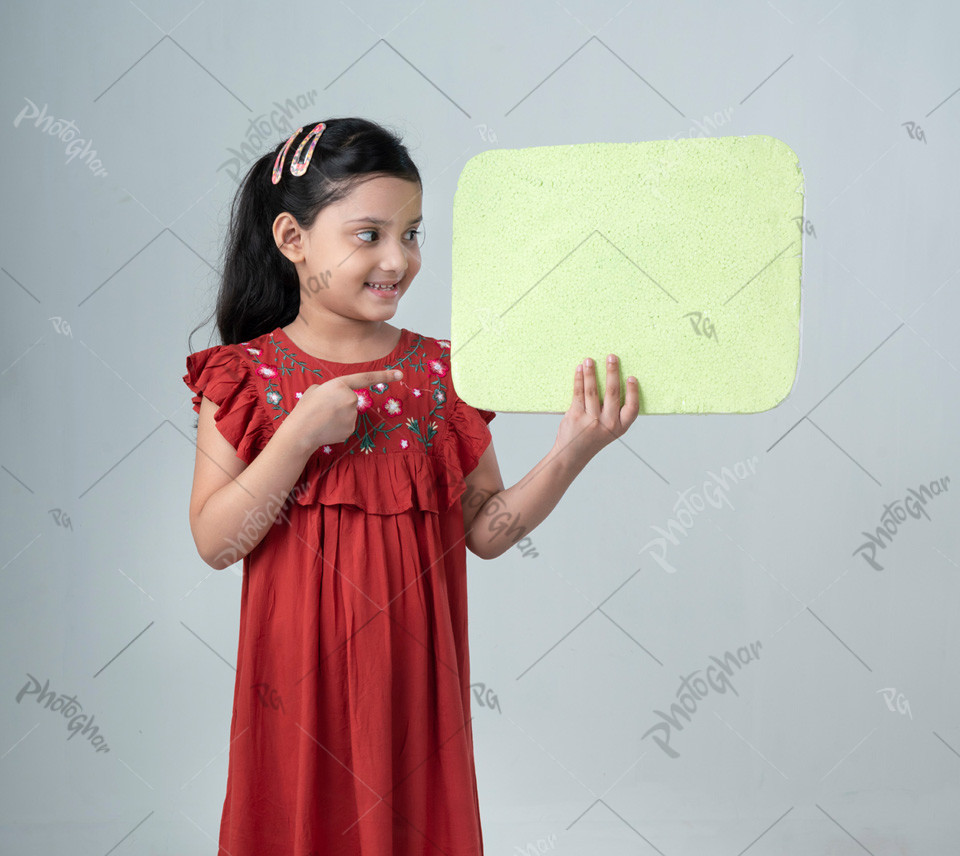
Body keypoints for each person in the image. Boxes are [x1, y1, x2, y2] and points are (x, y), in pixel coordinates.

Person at [182, 117, 639, 855]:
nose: (398, 258)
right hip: (296, 693)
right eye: (369, 235)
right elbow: (216, 541)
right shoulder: (244, 377)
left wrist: (573, 449)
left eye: (413, 234)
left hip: (415, 695)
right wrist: (297, 435)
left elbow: (487, 533)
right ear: (293, 239)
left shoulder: (443, 377)